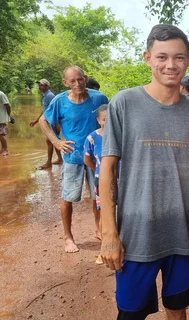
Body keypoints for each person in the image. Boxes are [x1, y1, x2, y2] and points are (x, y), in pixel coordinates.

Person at [99, 24, 189, 319]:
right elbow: (107, 170)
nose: (170, 65)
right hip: (136, 235)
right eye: (162, 57)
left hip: (181, 232)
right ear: (147, 58)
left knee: (177, 306)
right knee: (131, 312)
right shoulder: (124, 103)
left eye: (179, 57)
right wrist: (109, 232)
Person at [39, 66, 109, 253]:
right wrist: (56, 142)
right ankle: (68, 237)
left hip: (95, 157)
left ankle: (99, 229)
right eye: (72, 81)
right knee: (68, 196)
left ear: (85, 78)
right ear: (65, 83)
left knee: (98, 195)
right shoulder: (59, 101)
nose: (77, 84)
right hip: (72, 156)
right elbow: (44, 121)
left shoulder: (99, 98)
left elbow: (108, 121)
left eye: (80, 79)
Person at [84, 104, 108, 265]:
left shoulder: (122, 135)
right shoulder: (92, 138)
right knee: (105, 214)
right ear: (99, 120)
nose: (108, 122)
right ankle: (103, 251)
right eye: (105, 119)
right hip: (102, 182)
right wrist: (99, 172)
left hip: (124, 181)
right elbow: (88, 160)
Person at [30, 79, 64, 169]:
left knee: (50, 141)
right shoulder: (45, 96)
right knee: (53, 140)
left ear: (47, 86)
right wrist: (36, 121)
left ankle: (49, 162)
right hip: (48, 121)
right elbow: (45, 110)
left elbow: (57, 109)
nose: (40, 87)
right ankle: (60, 158)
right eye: (39, 85)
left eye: (42, 85)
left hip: (52, 122)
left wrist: (57, 124)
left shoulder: (50, 96)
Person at [0, 90, 11, 156]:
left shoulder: (1, 94)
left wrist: (8, 116)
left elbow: (8, 106)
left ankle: (5, 149)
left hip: (2, 118)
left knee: (1, 134)